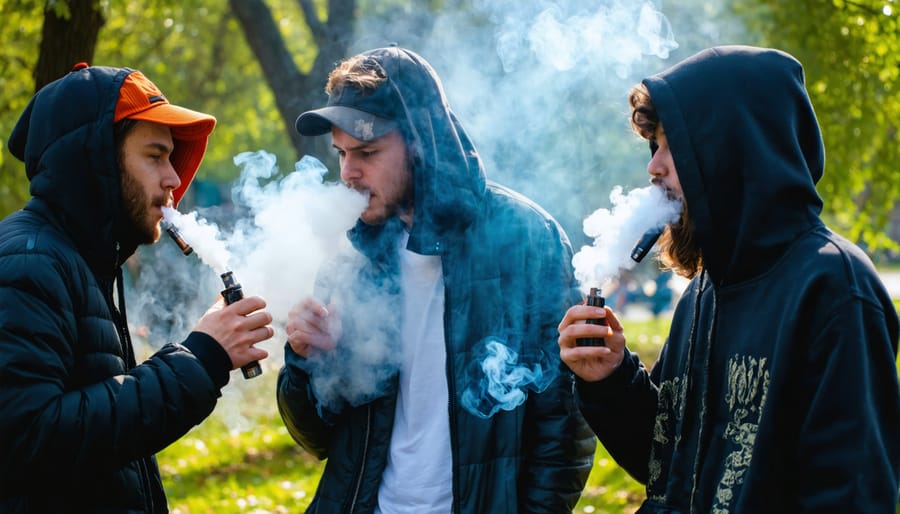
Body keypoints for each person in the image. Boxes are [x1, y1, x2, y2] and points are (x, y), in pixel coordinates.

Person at [558, 45, 900, 513]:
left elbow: (852, 496)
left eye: (668, 143)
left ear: (731, 144)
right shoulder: (703, 292)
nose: (653, 166)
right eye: (653, 145)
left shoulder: (834, 288)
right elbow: (668, 468)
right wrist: (612, 380)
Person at [276, 46, 596, 513]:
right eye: (341, 153)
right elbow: (319, 439)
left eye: (366, 152)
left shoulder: (527, 238)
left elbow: (564, 423)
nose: (348, 173)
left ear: (422, 140)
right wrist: (305, 363)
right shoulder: (349, 257)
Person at [0, 63, 274, 513]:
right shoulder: (29, 263)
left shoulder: (79, 259)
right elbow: (26, 440)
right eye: (154, 156)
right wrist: (200, 358)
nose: (173, 180)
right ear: (97, 161)